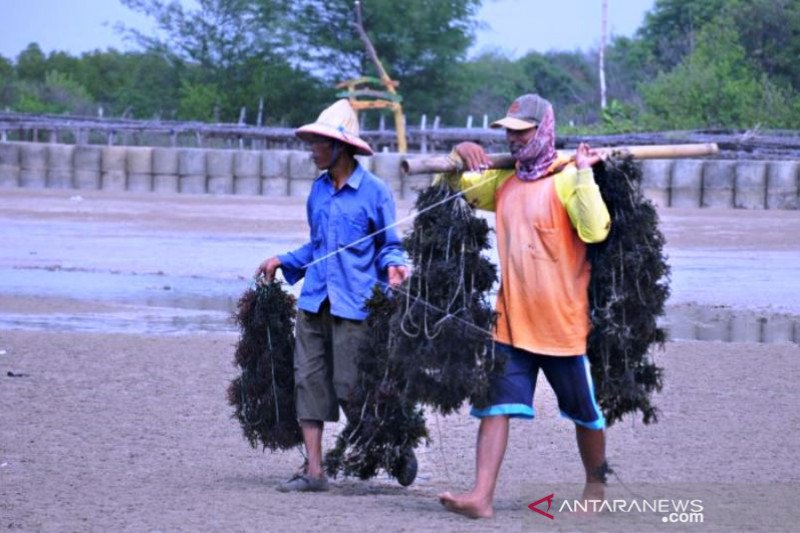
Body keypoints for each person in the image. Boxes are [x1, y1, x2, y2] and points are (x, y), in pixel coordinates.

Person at [436, 94, 611, 518]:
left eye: (522, 132)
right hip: (511, 321)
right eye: (509, 133)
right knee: (494, 408)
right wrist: (458, 154)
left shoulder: (568, 178)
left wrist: (586, 175)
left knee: (584, 413)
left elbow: (596, 231)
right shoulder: (504, 183)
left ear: (543, 130)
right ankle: (481, 496)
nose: (513, 140)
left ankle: (595, 486)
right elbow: (457, 188)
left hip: (562, 325)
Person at [257, 99, 408, 492]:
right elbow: (318, 247)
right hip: (314, 301)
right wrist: (282, 260)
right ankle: (314, 472)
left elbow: (390, 244)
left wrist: (395, 265)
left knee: (350, 387)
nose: (313, 150)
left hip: (355, 304)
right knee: (307, 382)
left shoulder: (374, 192)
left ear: (340, 148)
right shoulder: (318, 192)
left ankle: (395, 444)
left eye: (319, 144)